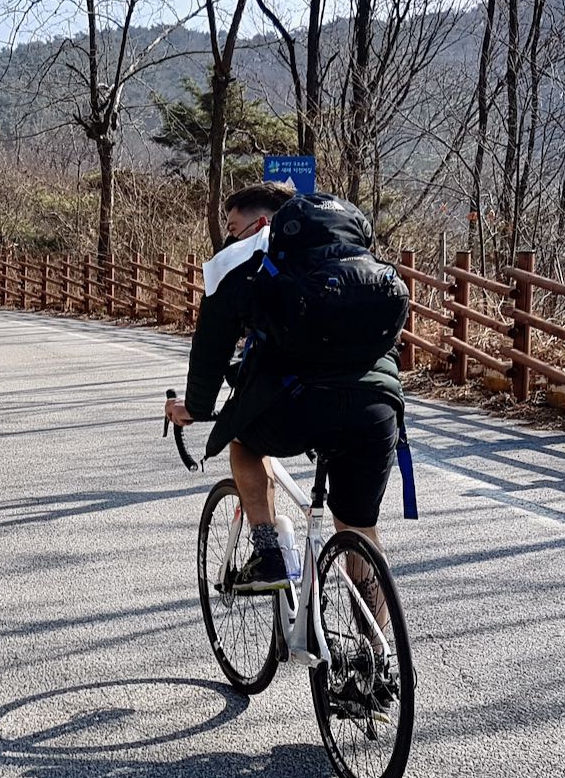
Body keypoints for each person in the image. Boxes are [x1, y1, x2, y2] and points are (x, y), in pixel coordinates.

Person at [164, 181, 405, 592]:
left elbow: (210, 348)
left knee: (243, 441)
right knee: (358, 527)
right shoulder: (354, 253)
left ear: (261, 222)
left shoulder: (243, 259)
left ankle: (270, 555)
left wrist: (197, 407)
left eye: (233, 226)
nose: (229, 236)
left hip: (300, 401)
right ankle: (377, 650)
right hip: (378, 405)